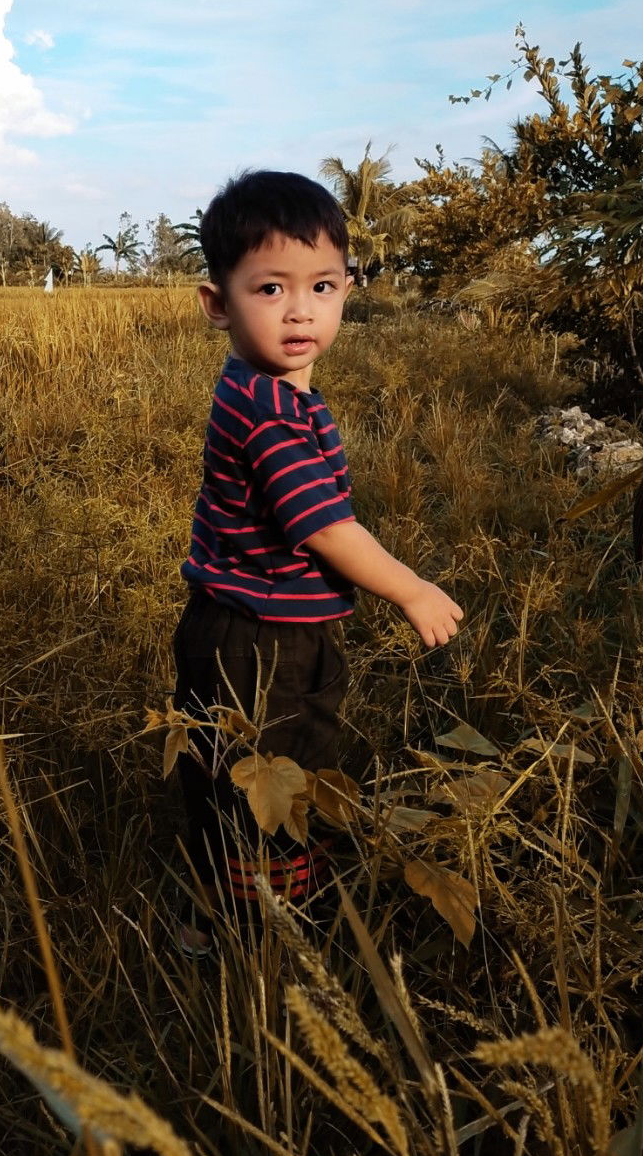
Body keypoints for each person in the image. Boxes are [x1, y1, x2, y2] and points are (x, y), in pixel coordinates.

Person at [172, 169, 463, 955]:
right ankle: (261, 931)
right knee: (271, 778)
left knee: (240, 769)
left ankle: (222, 908)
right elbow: (327, 527)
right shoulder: (270, 415)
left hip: (246, 621)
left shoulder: (268, 387)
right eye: (270, 288)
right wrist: (412, 589)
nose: (301, 309)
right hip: (262, 638)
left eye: (324, 286)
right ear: (217, 303)